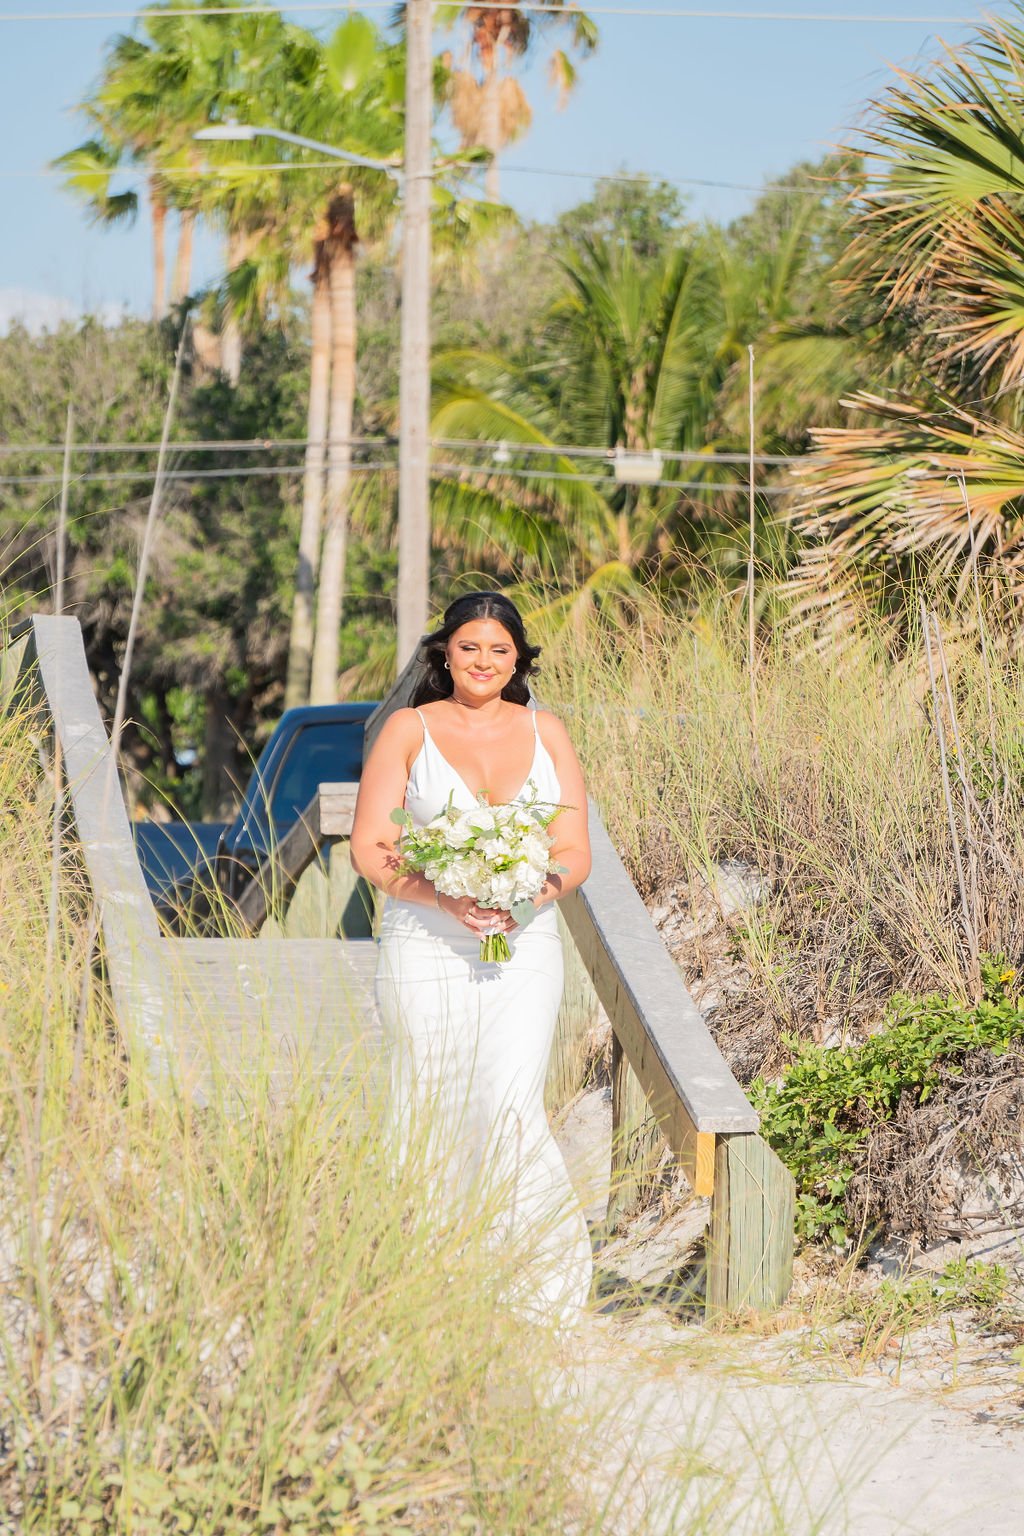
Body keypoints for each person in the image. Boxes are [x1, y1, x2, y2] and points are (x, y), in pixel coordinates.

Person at [350, 591, 593, 1320]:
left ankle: (534, 1288)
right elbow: (370, 846)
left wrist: (527, 895)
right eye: (468, 648)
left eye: (499, 650)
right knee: (427, 1095)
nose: (483, 662)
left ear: (518, 659)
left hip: (525, 942)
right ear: (444, 654)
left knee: (510, 1096)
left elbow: (574, 852)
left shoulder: (548, 732)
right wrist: (444, 898)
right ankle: (427, 1279)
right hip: (425, 940)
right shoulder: (408, 729)